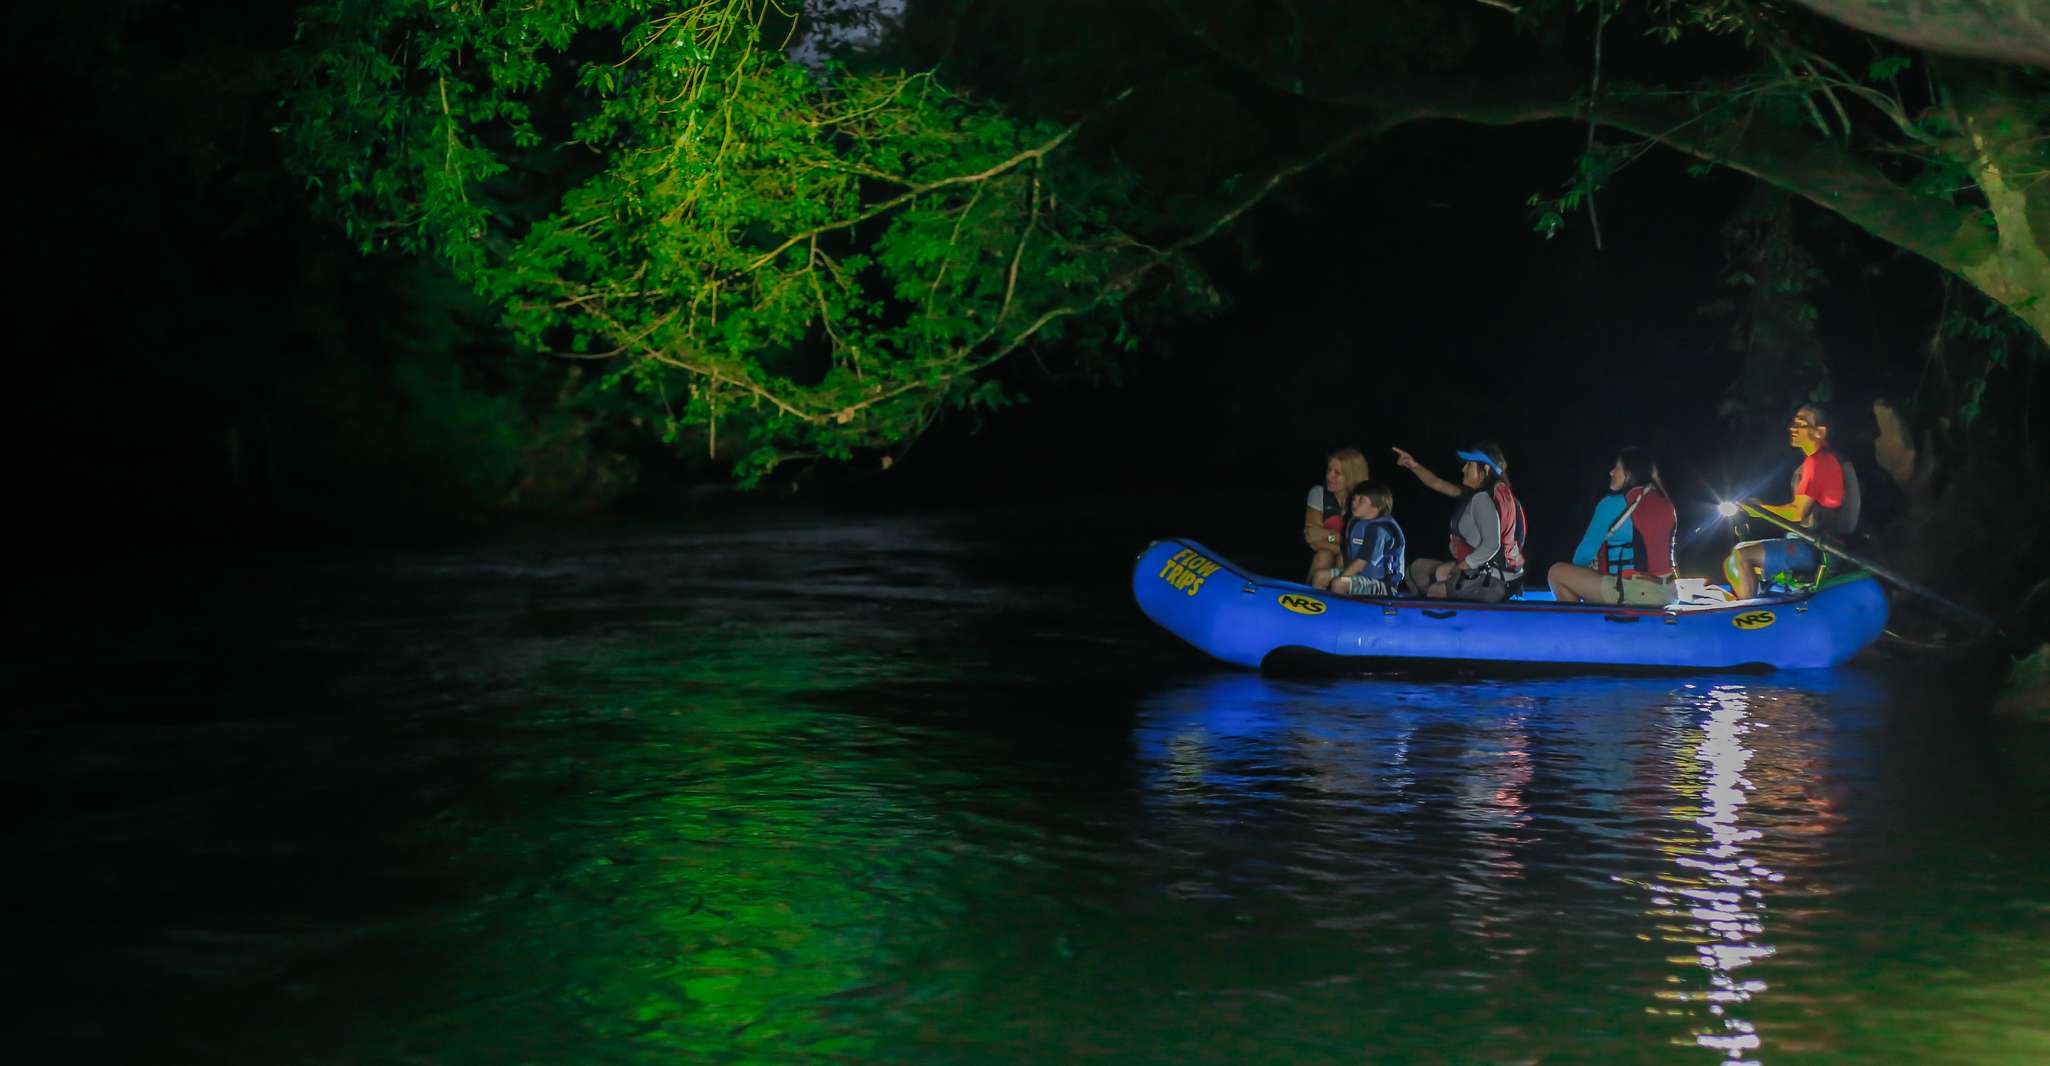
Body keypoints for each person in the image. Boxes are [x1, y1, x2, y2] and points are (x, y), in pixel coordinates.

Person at [1724, 404, 1862, 599]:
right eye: (1794, 423)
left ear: (1820, 432)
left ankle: (1749, 618)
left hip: (1817, 549)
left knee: (1739, 557)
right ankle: (1755, 599)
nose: (1793, 428)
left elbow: (1797, 513)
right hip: (1824, 546)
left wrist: (1758, 510)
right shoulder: (1831, 460)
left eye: (1802, 424)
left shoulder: (1818, 462)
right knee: (1745, 554)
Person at [1397, 441, 1527, 602]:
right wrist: (1413, 465)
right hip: (1499, 576)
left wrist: (1461, 566)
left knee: (1435, 588)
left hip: (1493, 579)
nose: (1463, 469)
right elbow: (1437, 483)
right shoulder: (1494, 494)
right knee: (1417, 569)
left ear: (1485, 469)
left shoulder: (1482, 499)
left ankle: (1450, 617)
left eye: (1469, 465)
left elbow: (1492, 545)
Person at [1548, 446, 1678, 605]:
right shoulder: (1665, 501)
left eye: (1617, 467)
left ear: (1629, 473)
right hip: (1669, 591)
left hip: (1635, 591)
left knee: (1556, 573)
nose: (1611, 472)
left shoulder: (1612, 503)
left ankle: (1578, 626)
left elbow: (1583, 555)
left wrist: (1581, 575)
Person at [1313, 480, 1406, 596]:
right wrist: (1328, 538)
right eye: (1354, 499)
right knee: (1320, 576)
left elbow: (1361, 562)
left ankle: (1341, 613)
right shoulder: (1357, 523)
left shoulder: (1379, 530)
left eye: (1361, 500)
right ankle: (1319, 610)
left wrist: (1341, 578)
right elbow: (1344, 543)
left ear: (1378, 506)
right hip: (1361, 576)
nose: (1354, 503)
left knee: (1339, 583)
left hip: (1382, 584)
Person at [1303, 447, 1371, 583]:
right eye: (1329, 470)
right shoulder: (1318, 493)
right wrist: (1341, 543)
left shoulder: (1366, 501)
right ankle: (1307, 598)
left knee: (1342, 559)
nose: (1329, 476)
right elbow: (1311, 536)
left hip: (1364, 564)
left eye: (1337, 473)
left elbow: (1363, 547)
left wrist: (1331, 538)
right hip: (1329, 552)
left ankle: (1342, 601)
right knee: (1323, 556)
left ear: (1352, 476)